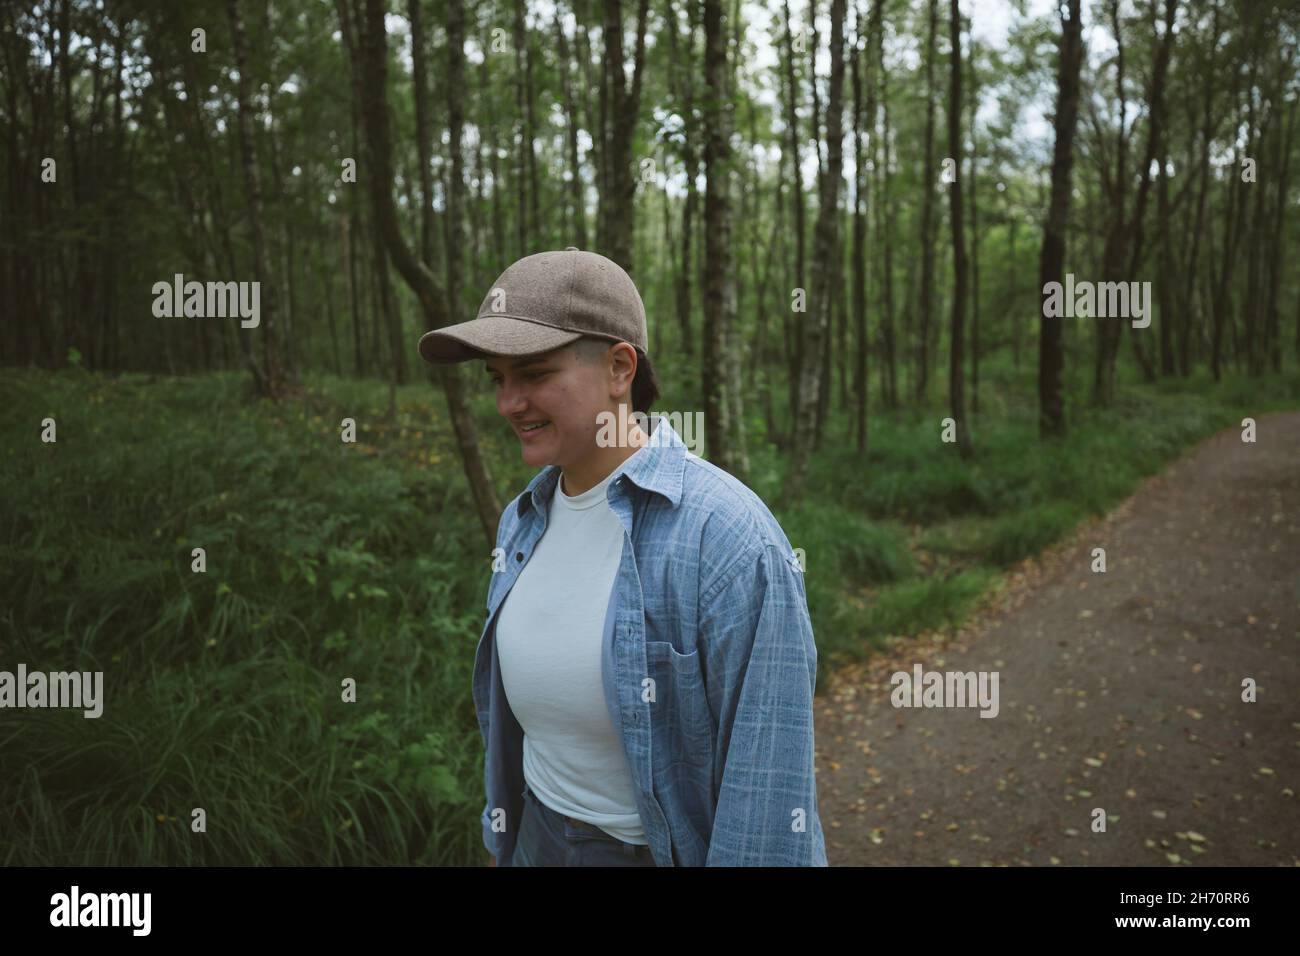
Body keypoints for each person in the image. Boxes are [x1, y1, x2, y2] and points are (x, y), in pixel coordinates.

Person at [418, 246, 827, 867]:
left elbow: (769, 791)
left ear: (618, 368)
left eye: (533, 373)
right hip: (535, 835)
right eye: (497, 379)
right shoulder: (522, 521)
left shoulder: (727, 538)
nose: (508, 404)